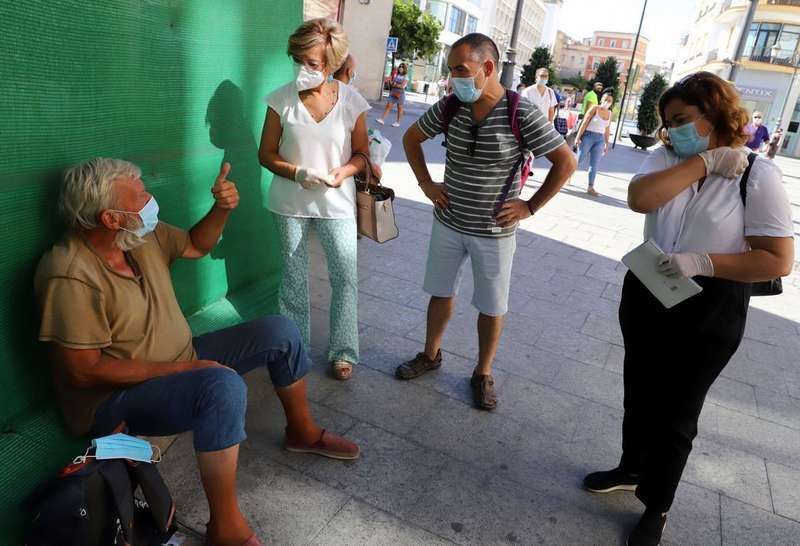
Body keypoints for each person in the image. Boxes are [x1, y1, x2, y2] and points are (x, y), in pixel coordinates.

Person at [34, 158, 360, 546]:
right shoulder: (69, 273)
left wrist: (221, 209)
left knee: (280, 331)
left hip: (181, 359)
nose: (150, 200)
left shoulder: (136, 236)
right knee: (221, 387)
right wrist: (183, 373)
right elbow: (83, 371)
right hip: (112, 402)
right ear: (110, 218)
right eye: (140, 197)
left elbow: (194, 244)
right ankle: (225, 527)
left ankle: (302, 431)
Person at [583, 72, 794, 546]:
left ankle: (657, 506)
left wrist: (701, 261)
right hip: (649, 287)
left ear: (714, 114)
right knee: (638, 389)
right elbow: (641, 199)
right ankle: (631, 468)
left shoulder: (757, 175)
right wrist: (703, 161)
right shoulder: (669, 158)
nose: (672, 130)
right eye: (668, 122)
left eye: (683, 120)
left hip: (711, 304)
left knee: (677, 410)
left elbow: (777, 259)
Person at [397, 33, 576, 410]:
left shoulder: (520, 112)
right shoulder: (450, 107)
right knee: (440, 292)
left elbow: (566, 161)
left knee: (492, 305)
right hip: (448, 221)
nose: (453, 79)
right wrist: (426, 183)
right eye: (451, 71)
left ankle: (482, 372)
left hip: (494, 232)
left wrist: (531, 206)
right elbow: (411, 138)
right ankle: (431, 355)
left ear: (488, 68)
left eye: (460, 69)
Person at [259, 18, 370, 381]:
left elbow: (362, 155)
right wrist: (298, 173)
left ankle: (342, 352)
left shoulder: (352, 102)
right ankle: (295, 350)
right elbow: (266, 153)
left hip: (337, 204)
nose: (302, 69)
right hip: (289, 202)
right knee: (293, 279)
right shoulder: (280, 99)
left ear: (332, 63)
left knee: (345, 277)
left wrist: (343, 172)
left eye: (313, 63)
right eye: (298, 59)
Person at [574, 89, 614, 196]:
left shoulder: (610, 113)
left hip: (600, 140)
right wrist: (578, 137)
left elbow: (607, 129)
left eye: (610, 101)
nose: (607, 102)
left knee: (594, 164)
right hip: (588, 136)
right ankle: (565, 176)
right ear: (601, 99)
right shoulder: (594, 108)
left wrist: (606, 143)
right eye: (606, 99)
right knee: (579, 159)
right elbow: (584, 122)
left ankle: (590, 187)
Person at [378, 63, 409, 127]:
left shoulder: (406, 76)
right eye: (400, 66)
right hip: (393, 92)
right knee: (388, 105)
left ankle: (397, 122)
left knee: (399, 108)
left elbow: (402, 86)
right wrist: (390, 81)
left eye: (402, 67)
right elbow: (392, 84)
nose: (400, 68)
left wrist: (395, 84)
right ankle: (382, 119)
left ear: (404, 69)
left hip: (400, 94)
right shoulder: (396, 75)